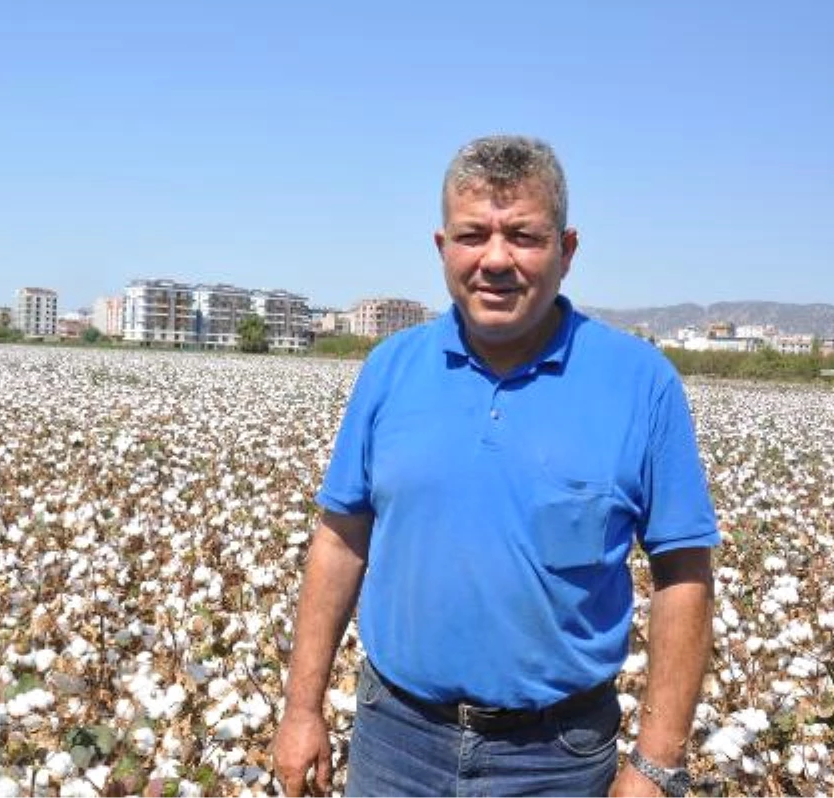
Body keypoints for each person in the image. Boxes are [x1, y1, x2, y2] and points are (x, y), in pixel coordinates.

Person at [272, 135, 718, 797]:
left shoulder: (640, 383)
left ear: (566, 252)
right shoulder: (390, 370)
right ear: (442, 247)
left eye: (525, 236)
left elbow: (683, 573)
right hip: (396, 742)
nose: (496, 259)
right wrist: (302, 708)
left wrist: (656, 763)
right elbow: (341, 541)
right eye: (473, 235)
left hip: (557, 758)